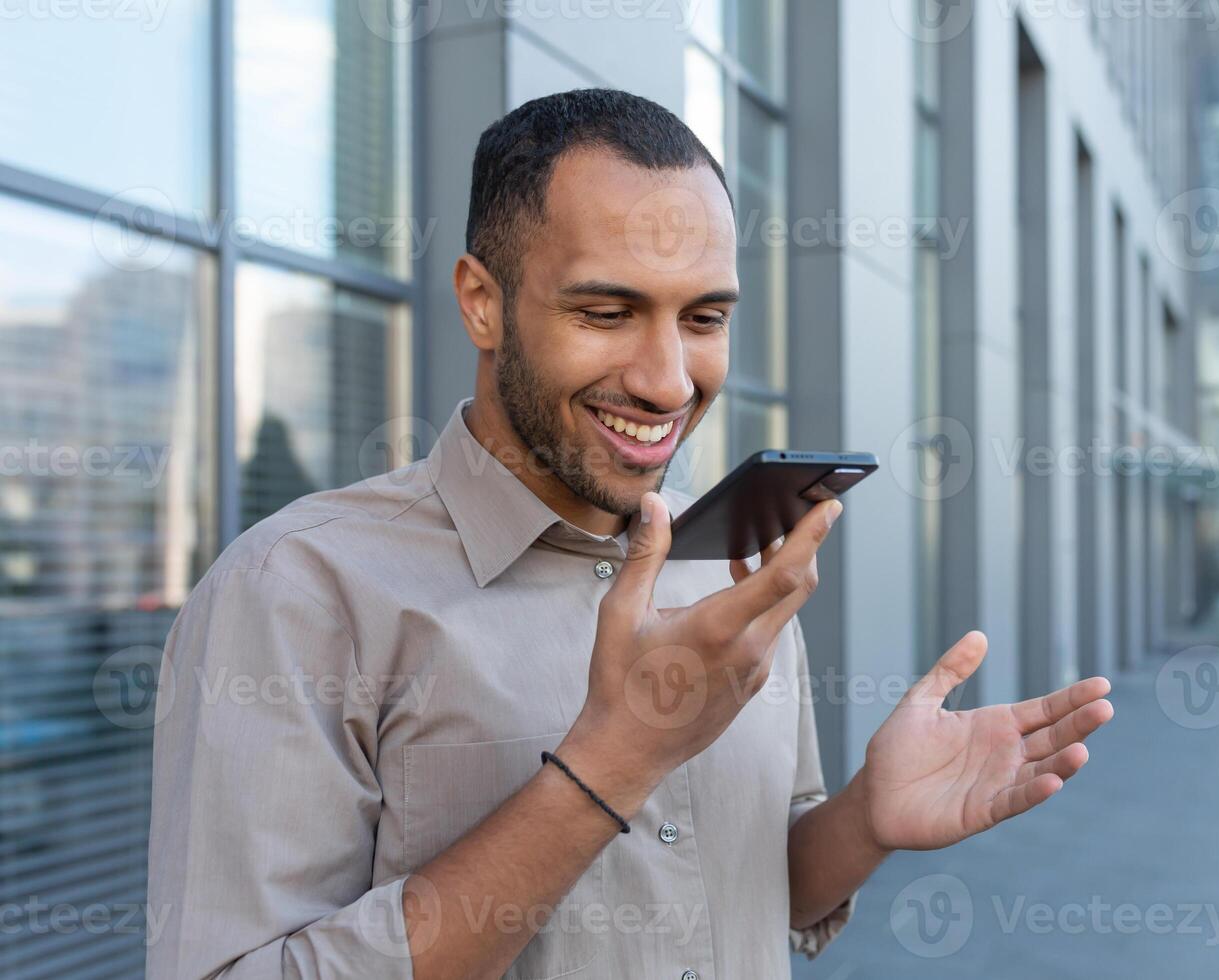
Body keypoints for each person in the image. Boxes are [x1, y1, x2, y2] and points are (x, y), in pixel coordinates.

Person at [146, 88, 1113, 979]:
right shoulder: (300, 593)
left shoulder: (734, 572)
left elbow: (749, 889)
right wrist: (615, 761)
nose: (667, 380)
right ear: (483, 302)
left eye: (703, 317)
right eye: (606, 312)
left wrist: (866, 818)